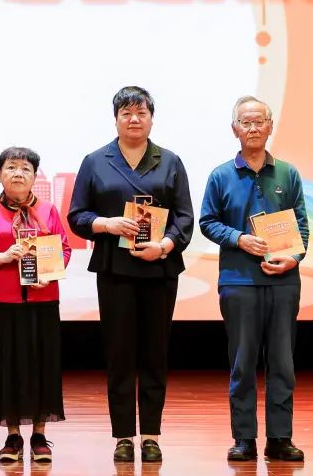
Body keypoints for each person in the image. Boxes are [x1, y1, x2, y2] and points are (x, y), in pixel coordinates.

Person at [68, 86, 195, 463]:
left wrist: (165, 245)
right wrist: (106, 224)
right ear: (116, 119)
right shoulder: (96, 160)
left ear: (152, 119)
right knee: (119, 353)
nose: (134, 119)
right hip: (115, 269)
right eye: (126, 113)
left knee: (155, 353)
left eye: (141, 113)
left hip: (160, 268)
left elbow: (185, 217)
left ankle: (151, 435)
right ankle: (123, 435)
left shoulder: (170, 161)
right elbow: (77, 216)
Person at [199, 95, 309, 462]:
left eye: (259, 121)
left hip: (283, 282)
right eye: (245, 122)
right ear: (235, 129)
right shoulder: (220, 175)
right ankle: (244, 437)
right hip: (238, 281)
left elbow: (302, 225)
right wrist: (238, 238)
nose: (253, 128)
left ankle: (280, 438)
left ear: (270, 126)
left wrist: (294, 258)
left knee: (283, 363)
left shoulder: (288, 173)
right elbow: (207, 221)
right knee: (242, 363)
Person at [0, 146, 71, 463]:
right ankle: (12, 436)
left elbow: (64, 249)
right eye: (11, 167)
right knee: (6, 366)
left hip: (43, 299)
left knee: (43, 365)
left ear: (35, 176)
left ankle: (39, 435)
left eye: (26, 168)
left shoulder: (48, 210)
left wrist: (49, 274)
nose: (18, 173)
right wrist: (0, 257)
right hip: (2, 300)